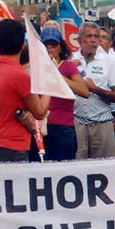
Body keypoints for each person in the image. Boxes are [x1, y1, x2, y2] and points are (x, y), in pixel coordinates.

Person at [0, 19, 51, 162]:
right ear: (23, 45)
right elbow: (40, 112)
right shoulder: (20, 75)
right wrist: (48, 87)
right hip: (13, 145)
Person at [73, 22, 115, 159]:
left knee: (105, 170)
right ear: (79, 40)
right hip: (77, 123)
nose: (93, 40)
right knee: (76, 169)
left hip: (102, 124)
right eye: (89, 36)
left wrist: (95, 89)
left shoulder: (109, 61)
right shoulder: (70, 60)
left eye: (96, 37)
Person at [42, 28, 88, 161]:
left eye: (53, 45)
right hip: (42, 128)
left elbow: (84, 91)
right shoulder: (36, 67)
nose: (49, 49)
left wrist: (57, 74)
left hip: (63, 127)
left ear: (60, 48)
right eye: (46, 45)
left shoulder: (68, 66)